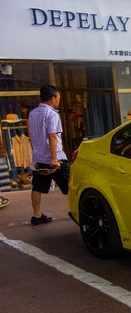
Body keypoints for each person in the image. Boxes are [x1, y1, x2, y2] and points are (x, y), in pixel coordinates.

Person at [27, 84, 69, 225]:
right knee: (72, 185)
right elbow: (52, 137)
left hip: (39, 158)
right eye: (58, 98)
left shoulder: (32, 113)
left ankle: (37, 215)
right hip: (55, 158)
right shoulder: (52, 114)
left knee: (37, 187)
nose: (58, 100)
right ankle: (79, 212)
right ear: (52, 98)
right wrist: (54, 158)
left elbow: (31, 135)